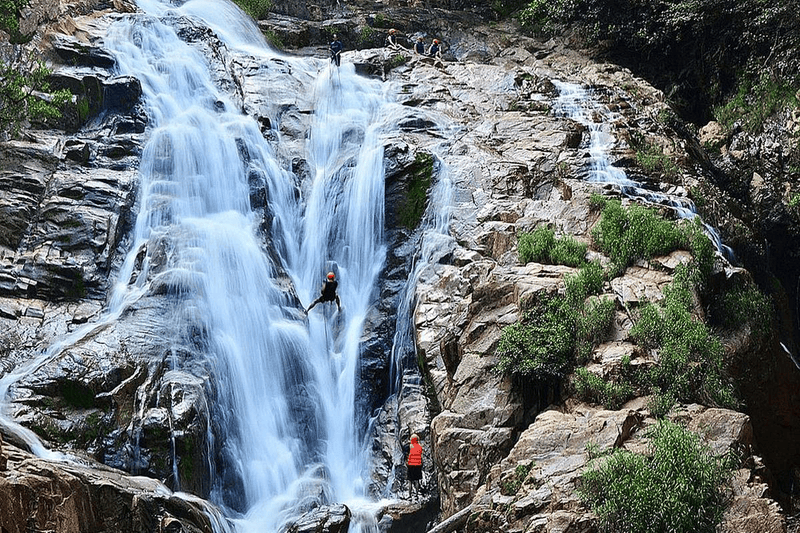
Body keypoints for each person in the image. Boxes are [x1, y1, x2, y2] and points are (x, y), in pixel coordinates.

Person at [406, 433, 423, 500]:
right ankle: (416, 495)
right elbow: (421, 456)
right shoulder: (420, 447)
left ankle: (409, 496)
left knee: (410, 481)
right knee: (416, 481)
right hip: (418, 465)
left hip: (410, 466)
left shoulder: (409, 446)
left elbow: (404, 450)